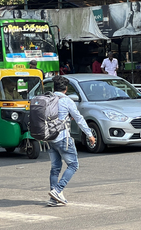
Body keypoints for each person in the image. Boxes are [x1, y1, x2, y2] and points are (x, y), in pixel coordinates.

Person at [47, 76, 96, 206]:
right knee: (73, 165)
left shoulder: (48, 99)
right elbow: (79, 119)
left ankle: (53, 198)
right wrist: (89, 134)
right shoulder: (67, 101)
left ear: (54, 88)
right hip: (63, 137)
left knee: (55, 168)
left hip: (50, 138)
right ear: (66, 89)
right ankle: (57, 190)